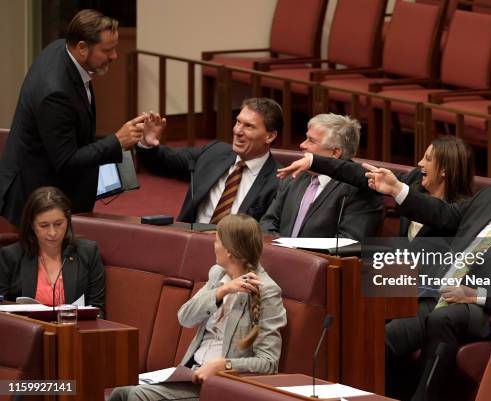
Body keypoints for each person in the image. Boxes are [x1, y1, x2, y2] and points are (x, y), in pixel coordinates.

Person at [366, 148, 491, 401]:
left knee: (426, 323)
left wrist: (477, 295)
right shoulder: (489, 199)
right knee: (371, 310)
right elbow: (444, 214)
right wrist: (397, 190)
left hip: (477, 311)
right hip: (435, 292)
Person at [109, 214, 287, 401]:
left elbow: (268, 363)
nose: (213, 244)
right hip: (191, 376)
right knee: (121, 391)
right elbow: (185, 318)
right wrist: (221, 291)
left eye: (216, 240)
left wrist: (223, 365)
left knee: (137, 396)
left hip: (223, 386)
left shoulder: (267, 291)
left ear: (229, 250)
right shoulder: (218, 275)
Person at [0, 9, 147, 226]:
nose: (115, 56)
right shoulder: (55, 92)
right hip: (36, 201)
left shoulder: (62, 48)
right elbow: (66, 160)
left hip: (52, 181)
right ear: (81, 48)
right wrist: (116, 141)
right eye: (108, 50)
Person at [278, 135, 474, 238]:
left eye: (428, 159)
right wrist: (314, 162)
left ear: (445, 171)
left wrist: (396, 189)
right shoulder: (415, 180)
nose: (420, 163)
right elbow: (356, 173)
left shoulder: (462, 209)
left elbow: (432, 211)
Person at [138, 98, 282, 223]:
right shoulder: (214, 153)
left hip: (235, 252)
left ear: (269, 136)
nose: (238, 131)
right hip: (192, 243)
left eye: (248, 126)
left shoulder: (279, 181)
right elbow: (163, 162)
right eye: (238, 122)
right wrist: (147, 144)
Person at [260, 113, 384, 241]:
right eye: (306, 138)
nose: (302, 145)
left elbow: (348, 243)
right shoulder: (295, 175)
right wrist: (283, 251)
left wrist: (300, 255)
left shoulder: (360, 191)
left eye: (311, 141)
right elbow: (268, 222)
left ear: (335, 152)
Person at [0, 186, 105, 316]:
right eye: (44, 226)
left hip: (72, 331)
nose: (52, 232)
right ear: (32, 225)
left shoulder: (87, 252)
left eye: (58, 224)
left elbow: (98, 309)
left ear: (68, 221)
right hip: (29, 333)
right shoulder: (11, 256)